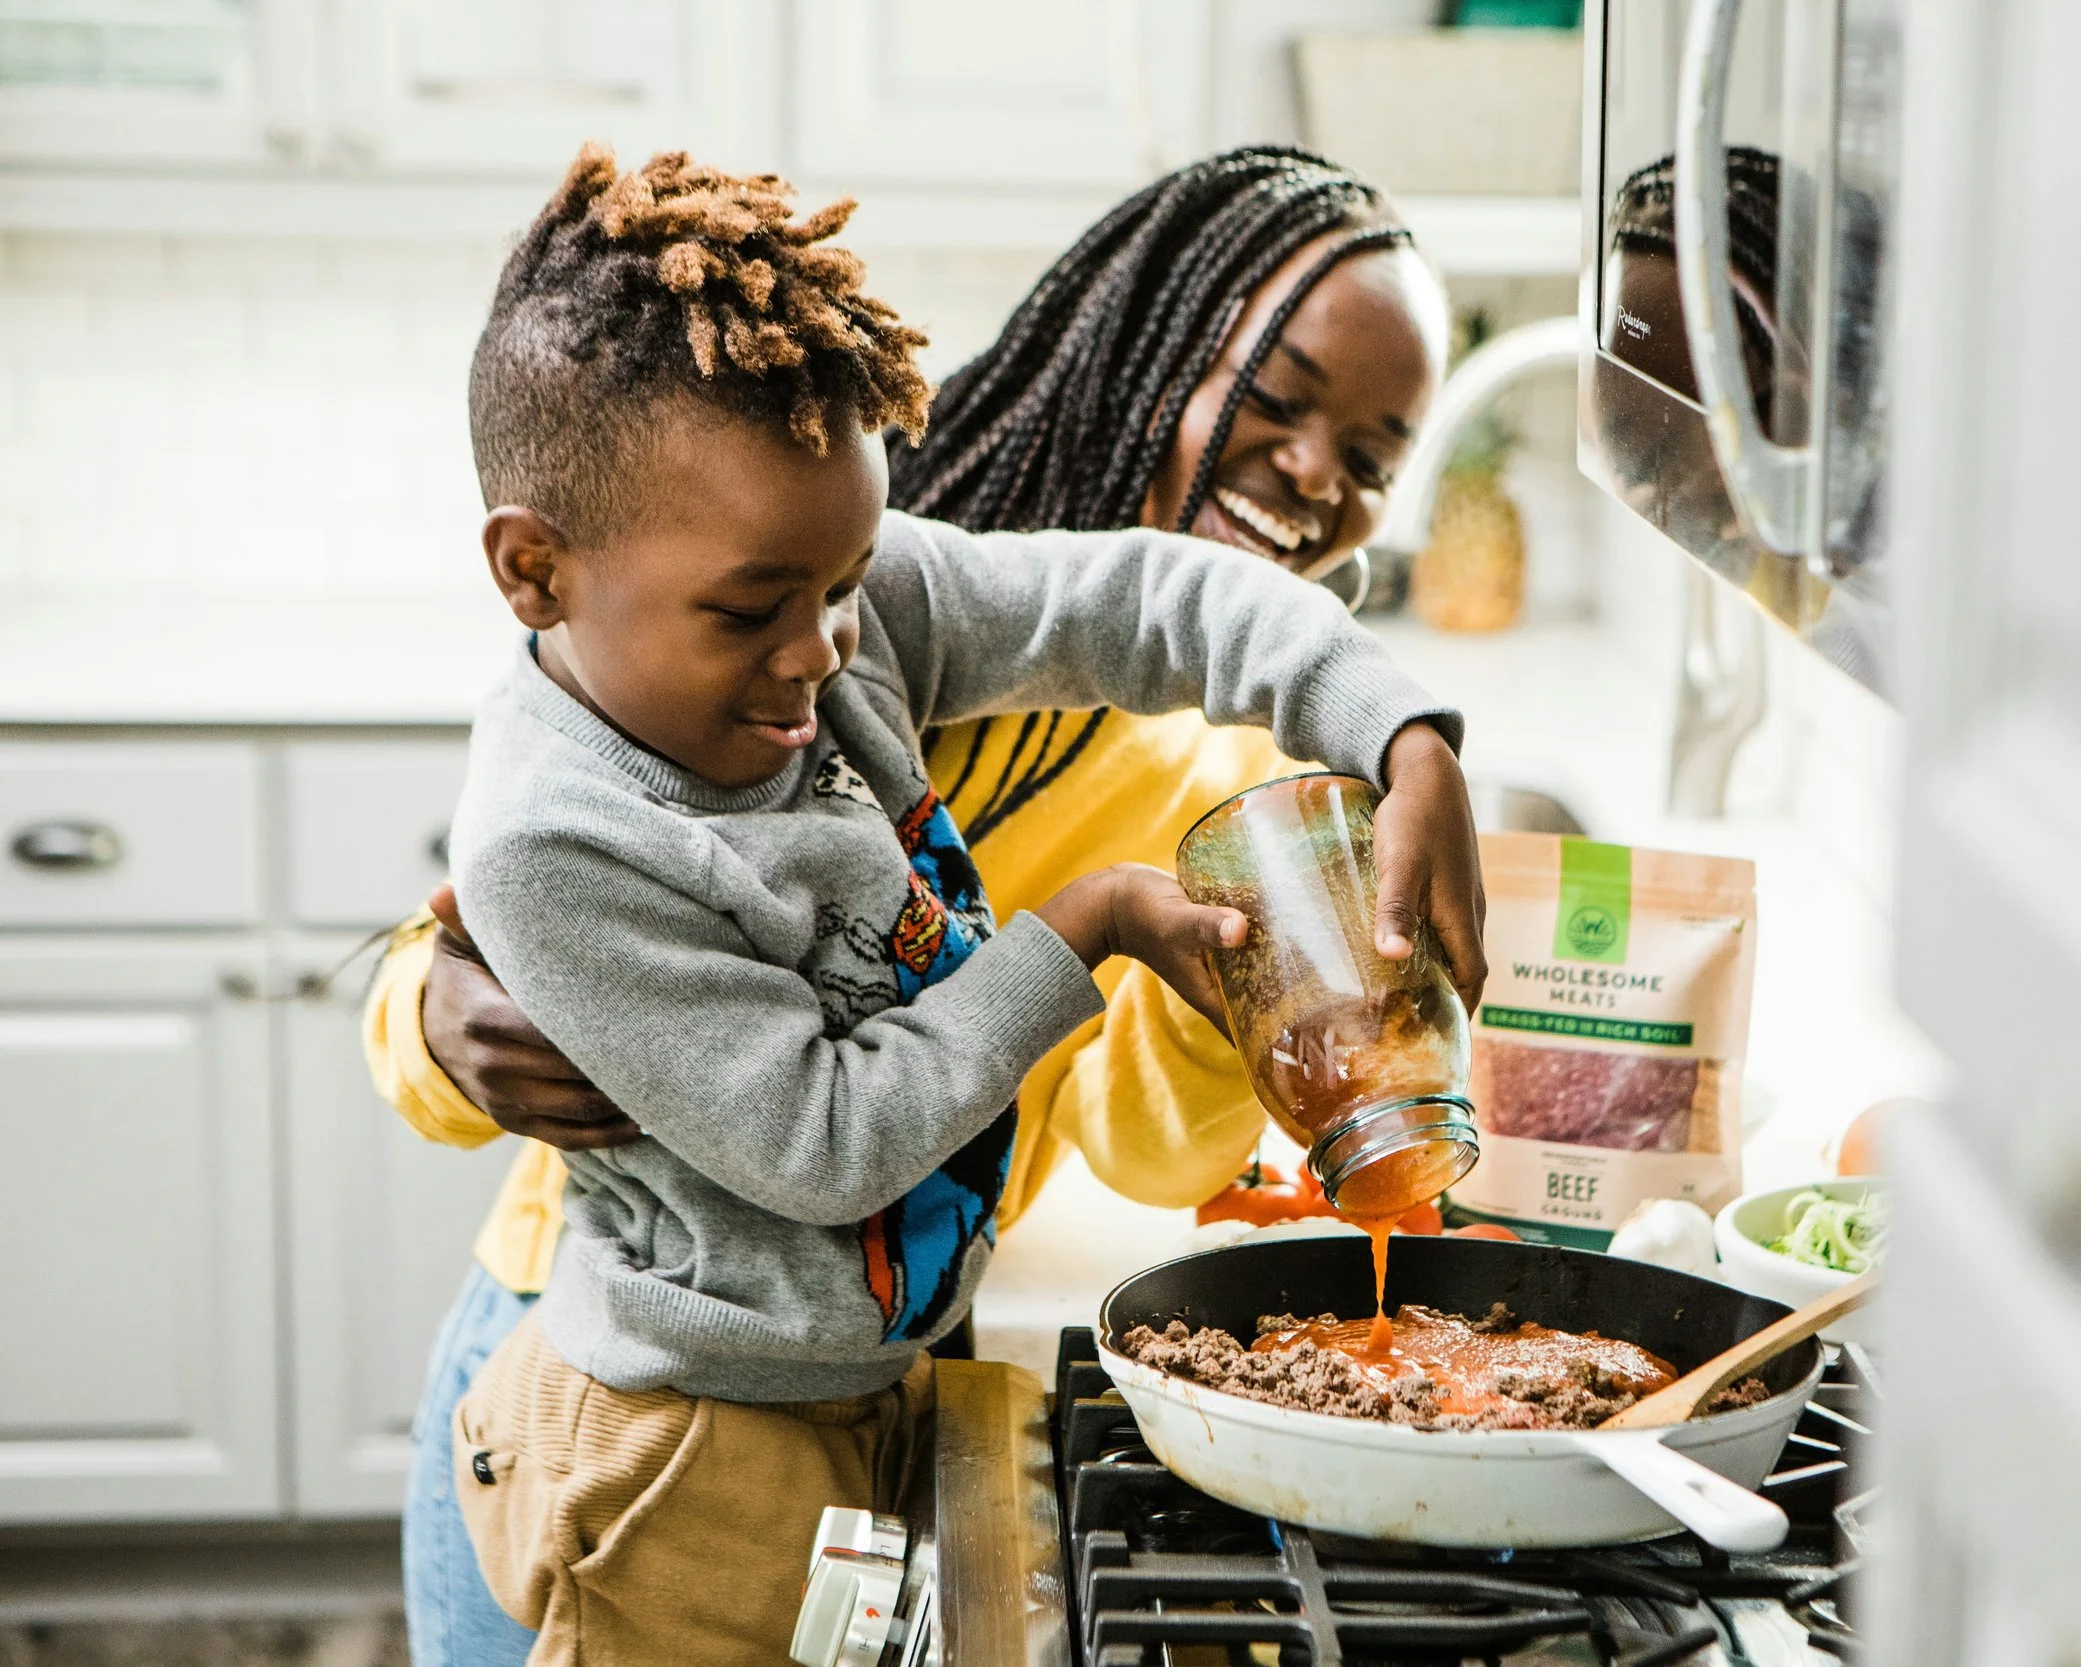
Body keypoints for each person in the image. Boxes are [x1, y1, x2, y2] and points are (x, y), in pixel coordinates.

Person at [365, 147, 1453, 1666]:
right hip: (661, 1419)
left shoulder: (842, 581)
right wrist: (426, 1012)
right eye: (1275, 403)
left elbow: (1156, 1135)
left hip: (874, 1368)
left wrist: (1392, 729)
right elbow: (802, 1124)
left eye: (1376, 453)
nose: (1319, 472)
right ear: (1138, 338)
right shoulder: (747, 537)